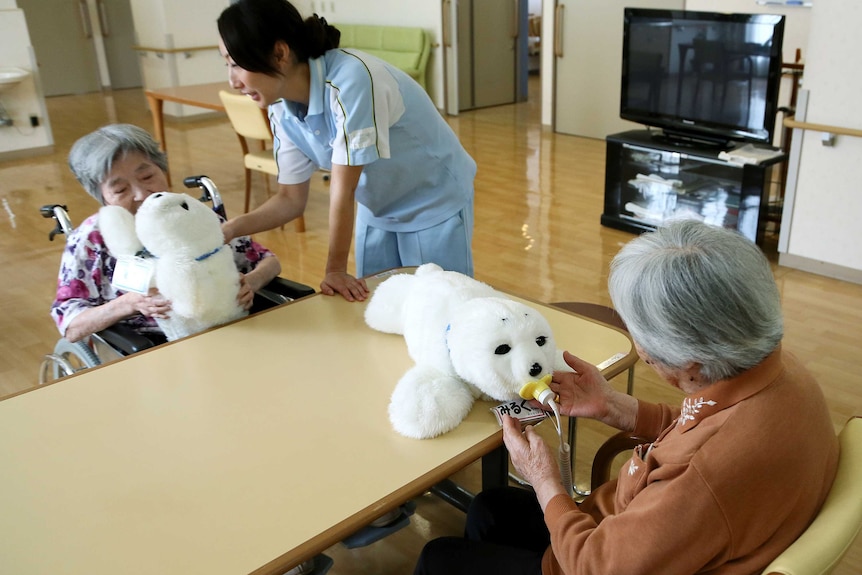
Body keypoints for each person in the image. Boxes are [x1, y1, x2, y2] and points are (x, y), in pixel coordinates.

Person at [414, 220, 839, 575]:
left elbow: (598, 566)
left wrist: (544, 479)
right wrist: (617, 407)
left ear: (689, 363)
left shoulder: (705, 476)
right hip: (646, 529)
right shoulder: (777, 368)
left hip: (604, 556)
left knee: (439, 558)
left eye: (642, 341)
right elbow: (705, 428)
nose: (639, 347)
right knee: (490, 507)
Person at [217, 0, 477, 302]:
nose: (232, 81)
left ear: (280, 53)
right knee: (379, 306)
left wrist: (335, 269)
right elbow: (290, 199)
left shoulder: (351, 79)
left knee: (439, 307)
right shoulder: (281, 109)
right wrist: (229, 229)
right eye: (227, 63)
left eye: (236, 63)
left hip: (432, 201)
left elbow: (342, 188)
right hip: (377, 208)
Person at [51, 123, 282, 345]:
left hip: (228, 330)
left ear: (162, 169)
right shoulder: (93, 238)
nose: (141, 194)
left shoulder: (188, 213)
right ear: (102, 196)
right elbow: (70, 325)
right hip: (151, 348)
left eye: (147, 177)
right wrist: (129, 304)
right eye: (121, 189)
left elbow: (268, 261)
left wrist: (251, 282)